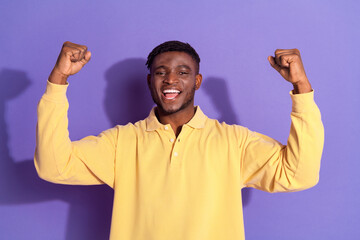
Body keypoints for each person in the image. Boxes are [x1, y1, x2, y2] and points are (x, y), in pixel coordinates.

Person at [34, 41, 324, 240]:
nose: (171, 80)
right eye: (161, 72)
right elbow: (54, 166)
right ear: (150, 82)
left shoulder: (234, 142)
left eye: (183, 73)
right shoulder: (123, 142)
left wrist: (301, 87)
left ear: (197, 82)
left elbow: (298, 175)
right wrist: (58, 80)